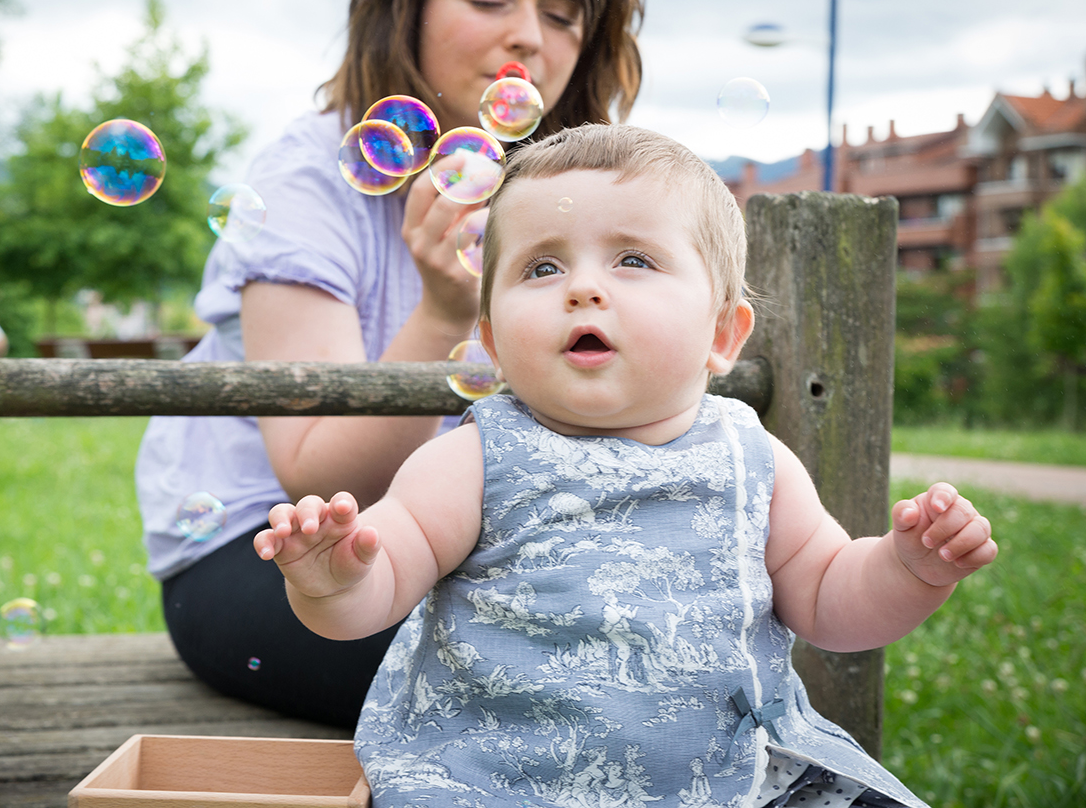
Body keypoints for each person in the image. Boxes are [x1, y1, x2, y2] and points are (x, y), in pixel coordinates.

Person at [255, 124, 998, 807]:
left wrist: (907, 571)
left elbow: (833, 602)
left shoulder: (752, 461)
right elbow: (376, 592)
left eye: (633, 259)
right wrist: (335, 581)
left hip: (727, 781)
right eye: (542, 267)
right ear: (491, 337)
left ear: (722, 332)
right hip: (497, 783)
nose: (583, 287)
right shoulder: (473, 460)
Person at [133, 0, 643, 728]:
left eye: (562, 15)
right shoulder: (308, 180)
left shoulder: (560, 193)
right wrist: (446, 316)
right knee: (541, 660)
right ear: (403, 4)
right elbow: (313, 468)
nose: (529, 36)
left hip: (446, 540)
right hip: (271, 551)